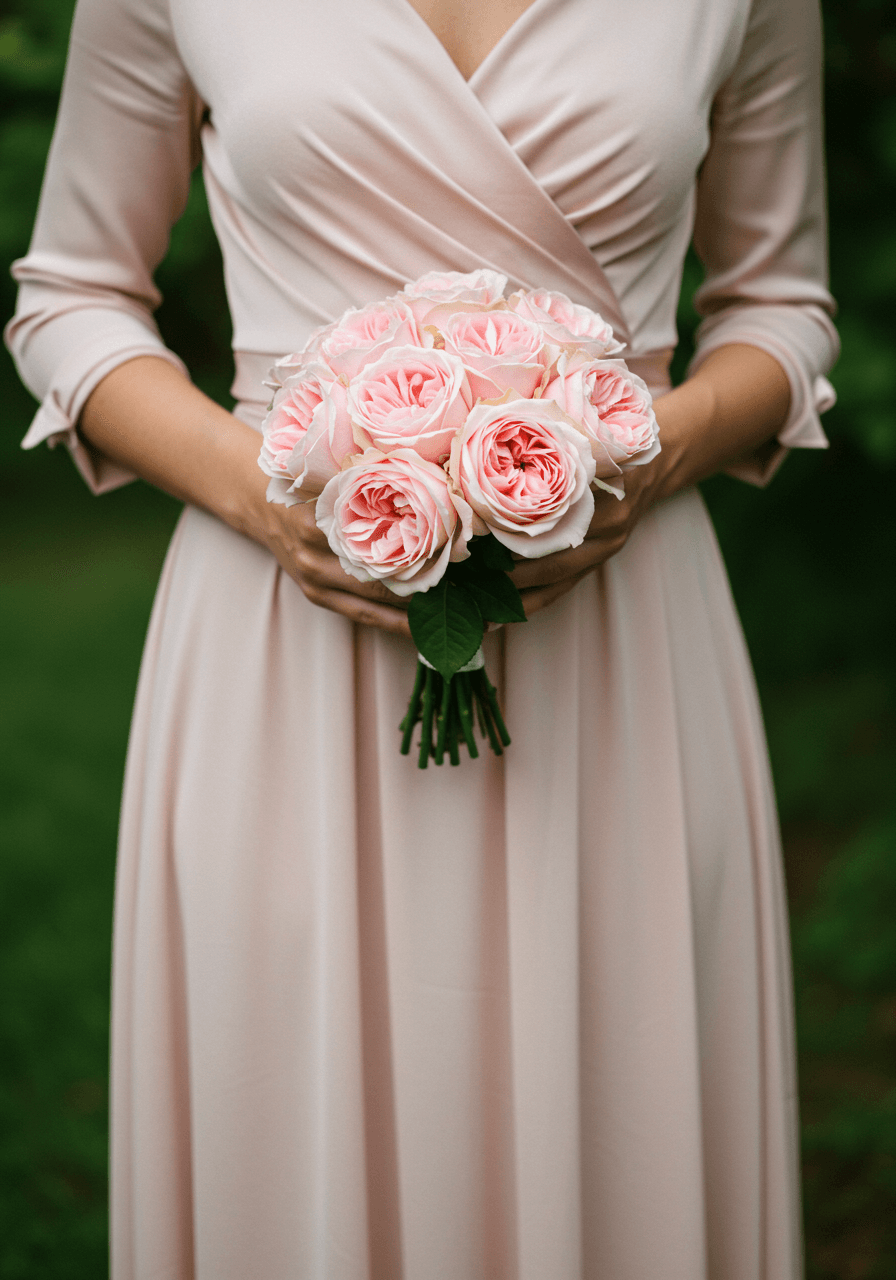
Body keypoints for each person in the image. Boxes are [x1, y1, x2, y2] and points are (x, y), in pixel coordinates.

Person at [5, 0, 838, 1275]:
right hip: (283, 647)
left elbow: (781, 305)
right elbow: (69, 295)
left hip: (616, 645)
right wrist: (262, 494)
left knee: (618, 1101)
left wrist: (647, 457)